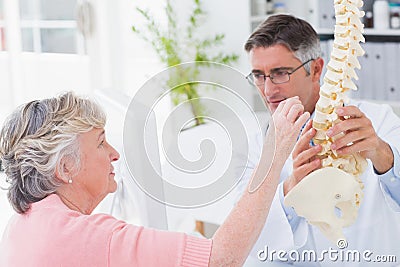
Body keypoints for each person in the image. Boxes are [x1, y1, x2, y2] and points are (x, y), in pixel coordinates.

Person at [0, 91, 309, 266]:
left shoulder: (21, 225)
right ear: (66, 168)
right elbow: (220, 259)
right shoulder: (89, 236)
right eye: (99, 142)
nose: (114, 153)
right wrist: (276, 149)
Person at [237, 14, 400, 265]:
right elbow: (248, 241)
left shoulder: (377, 121)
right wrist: (291, 189)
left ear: (316, 69)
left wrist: (382, 155)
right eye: (259, 75)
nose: (268, 90)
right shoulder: (253, 149)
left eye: (280, 73)